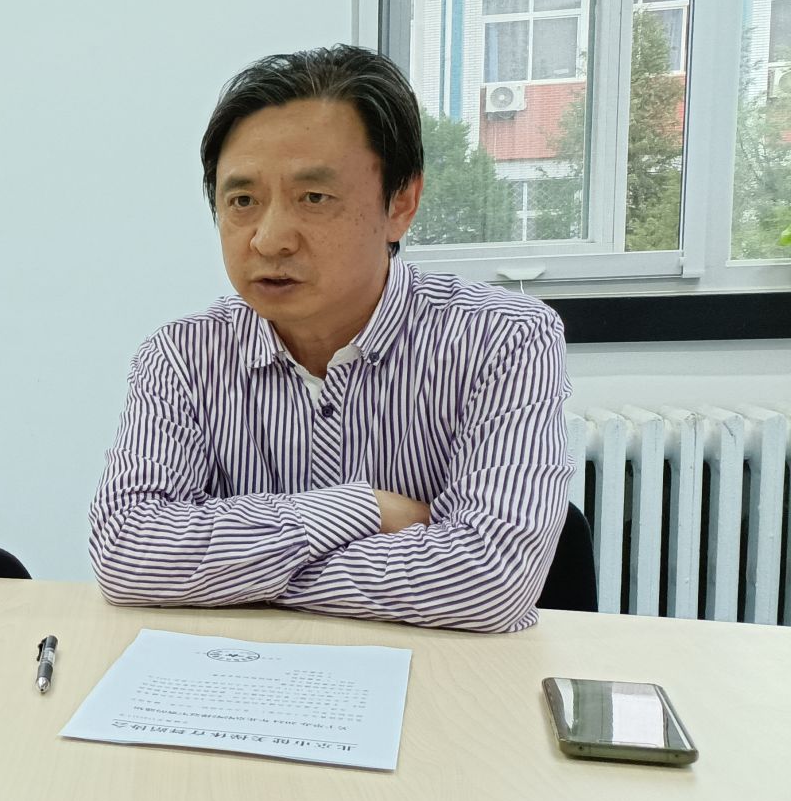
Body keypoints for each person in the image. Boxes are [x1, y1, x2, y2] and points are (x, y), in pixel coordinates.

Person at [88, 44, 570, 633]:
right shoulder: (182, 357)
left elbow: (489, 581)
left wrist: (234, 576)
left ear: (401, 203)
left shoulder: (504, 340)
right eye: (242, 200)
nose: (269, 239)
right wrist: (364, 508)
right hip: (240, 676)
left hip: (430, 677)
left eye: (313, 198)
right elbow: (128, 553)